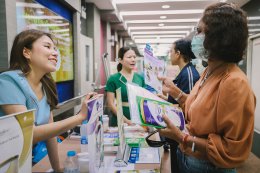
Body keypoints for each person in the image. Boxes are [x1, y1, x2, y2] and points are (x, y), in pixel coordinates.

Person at [158, 2, 256, 173]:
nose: (195, 37)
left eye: (199, 31)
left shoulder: (234, 82)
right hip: (189, 158)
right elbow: (202, 110)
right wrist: (175, 91)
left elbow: (231, 149)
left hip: (208, 167)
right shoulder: (209, 71)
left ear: (218, 37)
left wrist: (182, 137)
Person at [0, 29, 97, 172]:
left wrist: (57, 168)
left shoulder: (45, 85)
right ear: (27, 52)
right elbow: (28, 134)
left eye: (55, 49)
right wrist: (79, 118)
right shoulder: (8, 82)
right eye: (47, 47)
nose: (55, 53)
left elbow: (50, 133)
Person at [158, 39, 200, 173]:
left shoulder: (189, 74)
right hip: (177, 129)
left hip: (183, 132)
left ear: (178, 53)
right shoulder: (183, 72)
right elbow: (180, 100)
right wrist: (165, 99)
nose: (169, 54)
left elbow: (191, 107)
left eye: (171, 51)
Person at [106, 47, 145, 126]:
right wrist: (126, 121)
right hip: (119, 119)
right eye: (129, 57)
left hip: (138, 118)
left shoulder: (140, 78)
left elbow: (144, 100)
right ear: (120, 60)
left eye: (134, 57)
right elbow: (110, 104)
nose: (133, 59)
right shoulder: (113, 79)